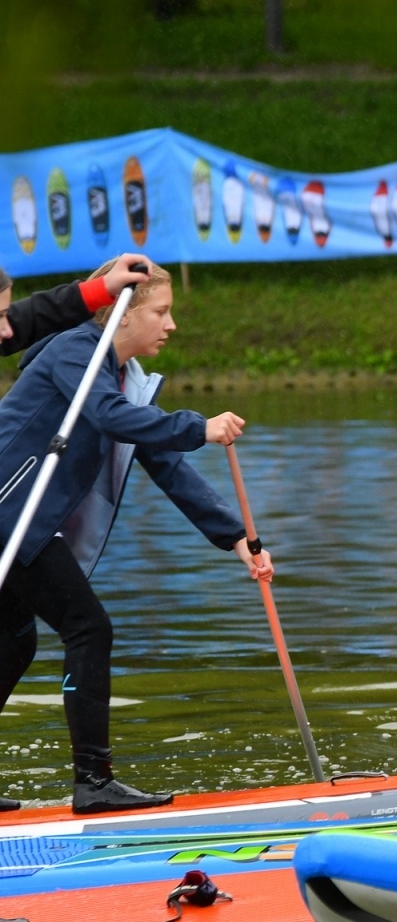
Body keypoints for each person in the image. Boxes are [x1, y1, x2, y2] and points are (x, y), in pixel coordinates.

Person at [0, 258, 273, 814]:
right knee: (88, 628)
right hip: (11, 515)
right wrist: (199, 427)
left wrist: (238, 537)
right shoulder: (76, 352)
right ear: (122, 315)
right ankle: (94, 783)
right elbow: (107, 416)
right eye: (160, 311)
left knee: (15, 642)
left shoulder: (125, 379)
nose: (170, 325)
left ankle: (91, 782)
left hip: (26, 522)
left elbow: (164, 462)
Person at [1, 253, 155, 358]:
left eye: (5, 315)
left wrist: (104, 286)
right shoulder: (73, 353)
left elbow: (34, 316)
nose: (8, 331)